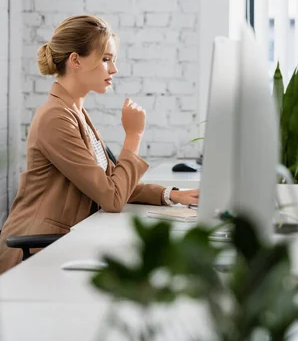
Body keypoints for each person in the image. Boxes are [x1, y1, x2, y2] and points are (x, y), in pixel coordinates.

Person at [0, 15, 199, 274]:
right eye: (106, 59)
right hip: (36, 252)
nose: (114, 70)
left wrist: (170, 195)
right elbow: (112, 197)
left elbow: (110, 182)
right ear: (75, 61)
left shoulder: (75, 112)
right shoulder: (56, 118)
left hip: (61, 244)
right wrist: (134, 136)